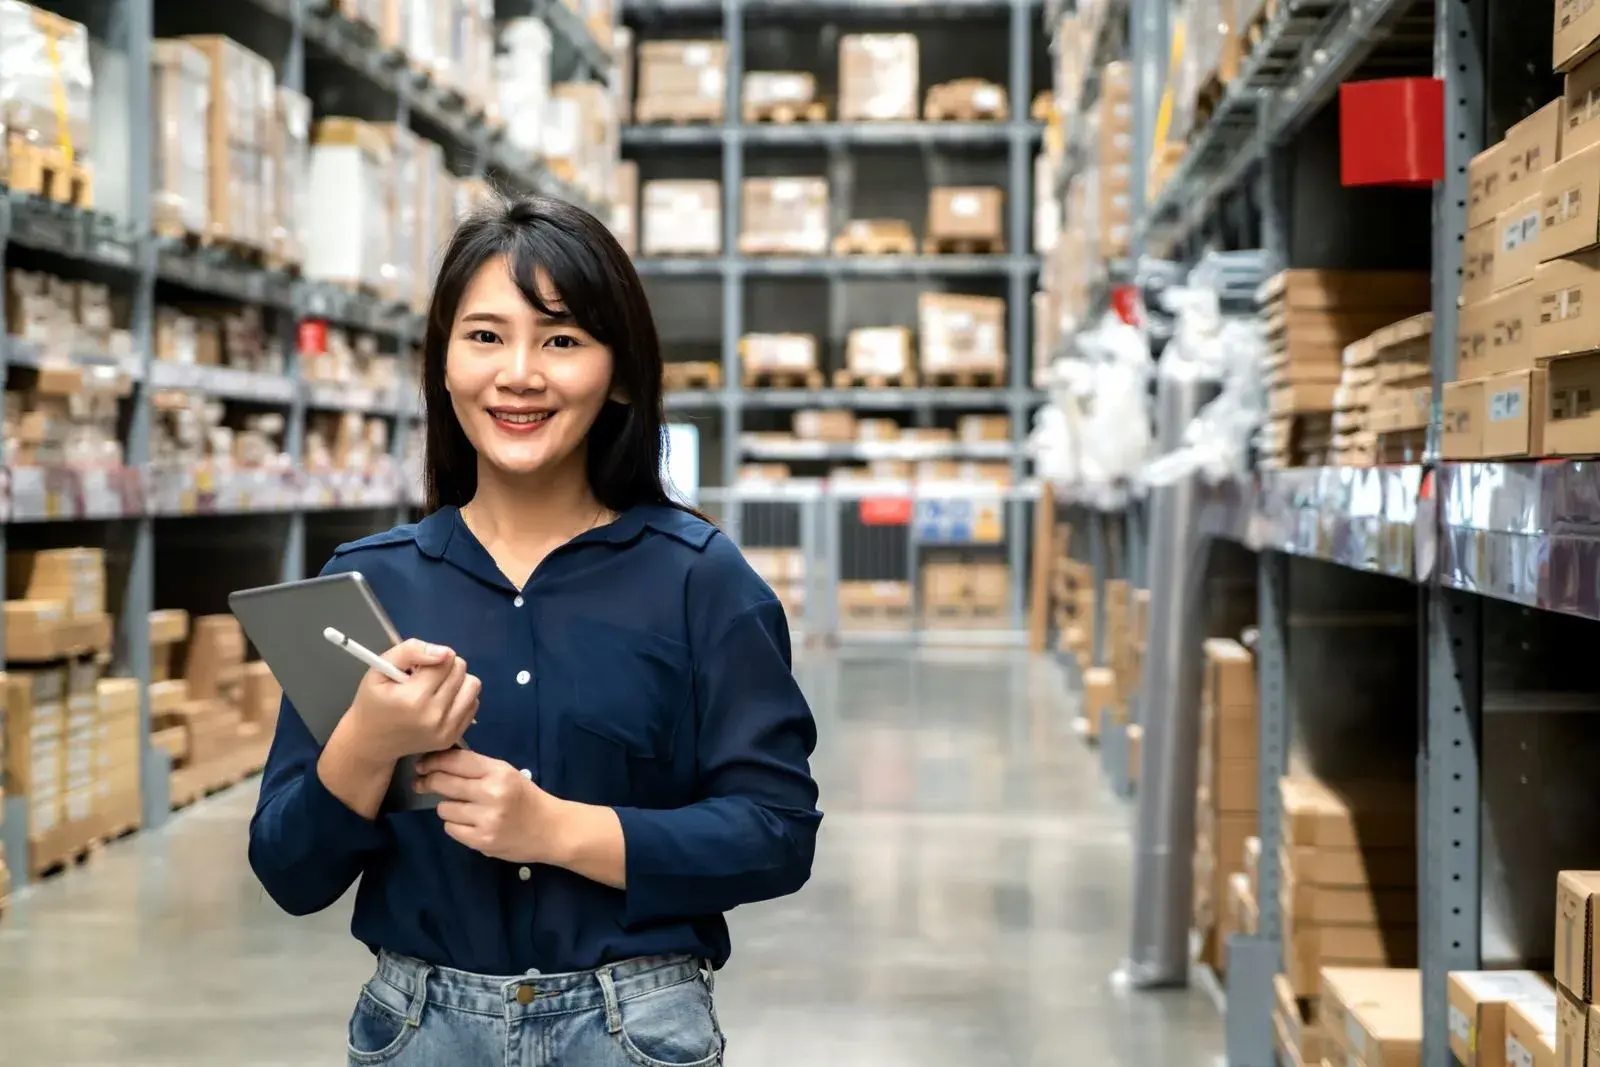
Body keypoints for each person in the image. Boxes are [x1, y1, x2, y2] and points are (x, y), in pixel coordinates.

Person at [248, 194, 822, 1066]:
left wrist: (556, 829)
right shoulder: (368, 587)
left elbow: (776, 832)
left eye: (561, 340)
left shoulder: (701, 579)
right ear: (443, 362)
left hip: (637, 1030)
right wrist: (369, 740)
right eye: (484, 336)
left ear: (620, 373)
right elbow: (289, 874)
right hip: (416, 1029)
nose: (519, 373)